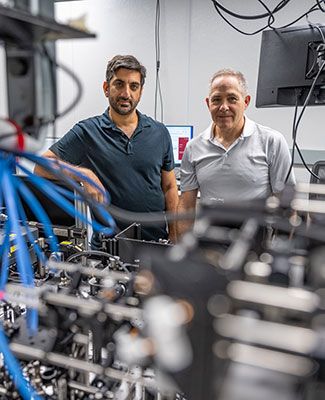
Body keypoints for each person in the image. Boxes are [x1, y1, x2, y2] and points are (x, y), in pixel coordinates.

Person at [34, 55, 178, 243]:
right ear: (106, 88)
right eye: (119, 84)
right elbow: (41, 166)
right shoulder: (87, 132)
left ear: (141, 92)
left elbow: (169, 187)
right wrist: (85, 175)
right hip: (108, 250)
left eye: (133, 86)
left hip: (155, 244)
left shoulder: (160, 133)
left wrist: (175, 236)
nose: (126, 93)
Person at [177, 68, 295, 236]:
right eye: (216, 100)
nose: (224, 107)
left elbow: (287, 206)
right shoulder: (193, 147)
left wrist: (282, 252)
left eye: (232, 99)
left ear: (245, 102)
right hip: (208, 243)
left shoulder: (271, 141)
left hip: (255, 244)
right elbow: (186, 207)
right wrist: (182, 250)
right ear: (208, 103)